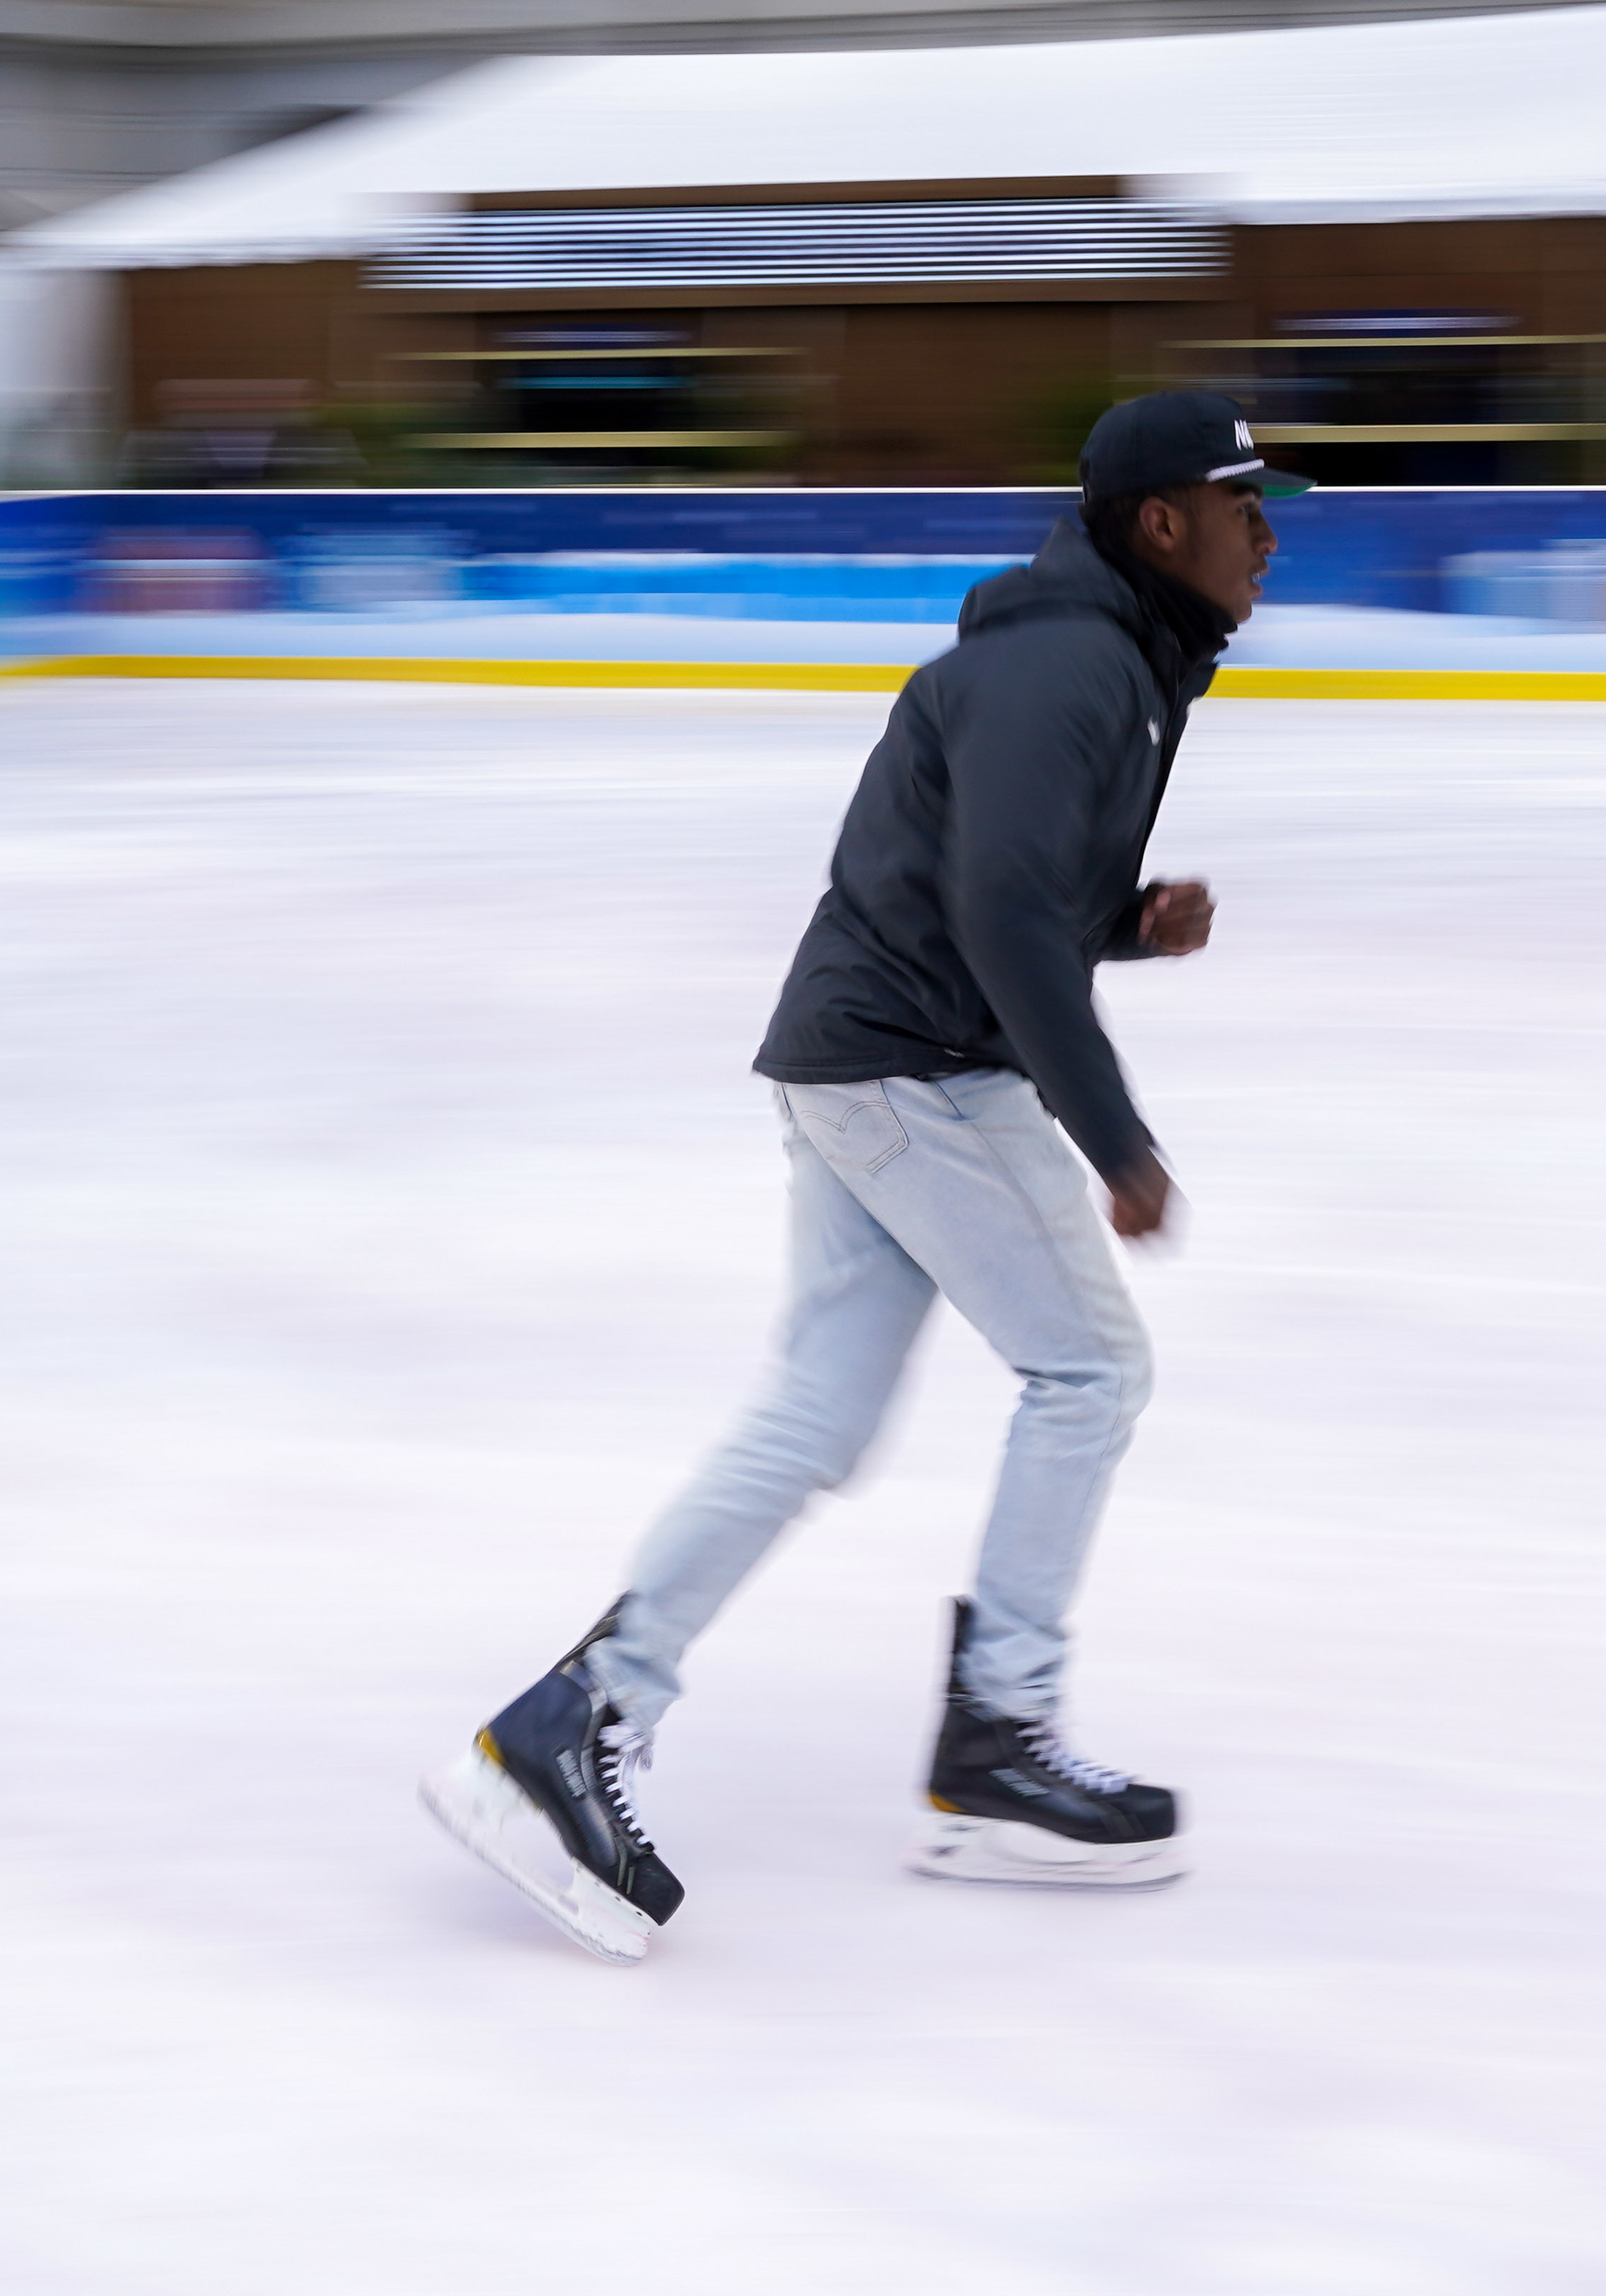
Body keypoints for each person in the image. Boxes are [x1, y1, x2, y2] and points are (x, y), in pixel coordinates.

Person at [421, 389, 1301, 1962]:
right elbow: (998, 913)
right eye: (1246, 505)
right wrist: (1116, 1138)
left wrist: (1124, 918)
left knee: (818, 1412)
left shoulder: (1106, 655)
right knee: (1090, 1366)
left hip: (862, 1056)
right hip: (914, 1068)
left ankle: (572, 1722)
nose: (1270, 533)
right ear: (1162, 523)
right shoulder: (1075, 661)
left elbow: (1017, 882)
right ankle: (999, 1736)